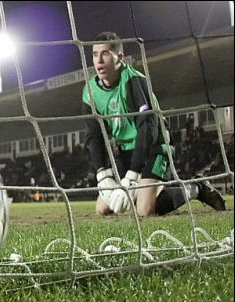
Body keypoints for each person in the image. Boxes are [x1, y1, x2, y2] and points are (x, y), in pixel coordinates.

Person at [82, 31, 225, 217]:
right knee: (103, 209)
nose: (99, 61)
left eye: (105, 54)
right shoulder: (89, 91)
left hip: (154, 146)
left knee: (145, 210)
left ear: (120, 57)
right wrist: (103, 174)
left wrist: (133, 175)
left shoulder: (134, 81)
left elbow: (148, 129)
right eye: (95, 54)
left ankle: (195, 188)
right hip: (127, 151)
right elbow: (94, 135)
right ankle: (147, 190)